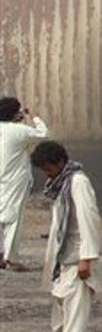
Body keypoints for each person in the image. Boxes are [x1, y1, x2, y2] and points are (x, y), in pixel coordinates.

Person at [31, 141, 102, 332]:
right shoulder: (62, 184)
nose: (47, 174)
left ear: (60, 163)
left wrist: (87, 258)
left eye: (48, 168)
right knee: (61, 307)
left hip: (78, 258)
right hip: (63, 259)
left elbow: (89, 219)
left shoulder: (78, 182)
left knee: (75, 311)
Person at [0, 96, 49, 270]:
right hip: (14, 180)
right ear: (14, 114)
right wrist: (34, 116)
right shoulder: (19, 131)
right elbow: (43, 133)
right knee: (14, 217)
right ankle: (11, 259)